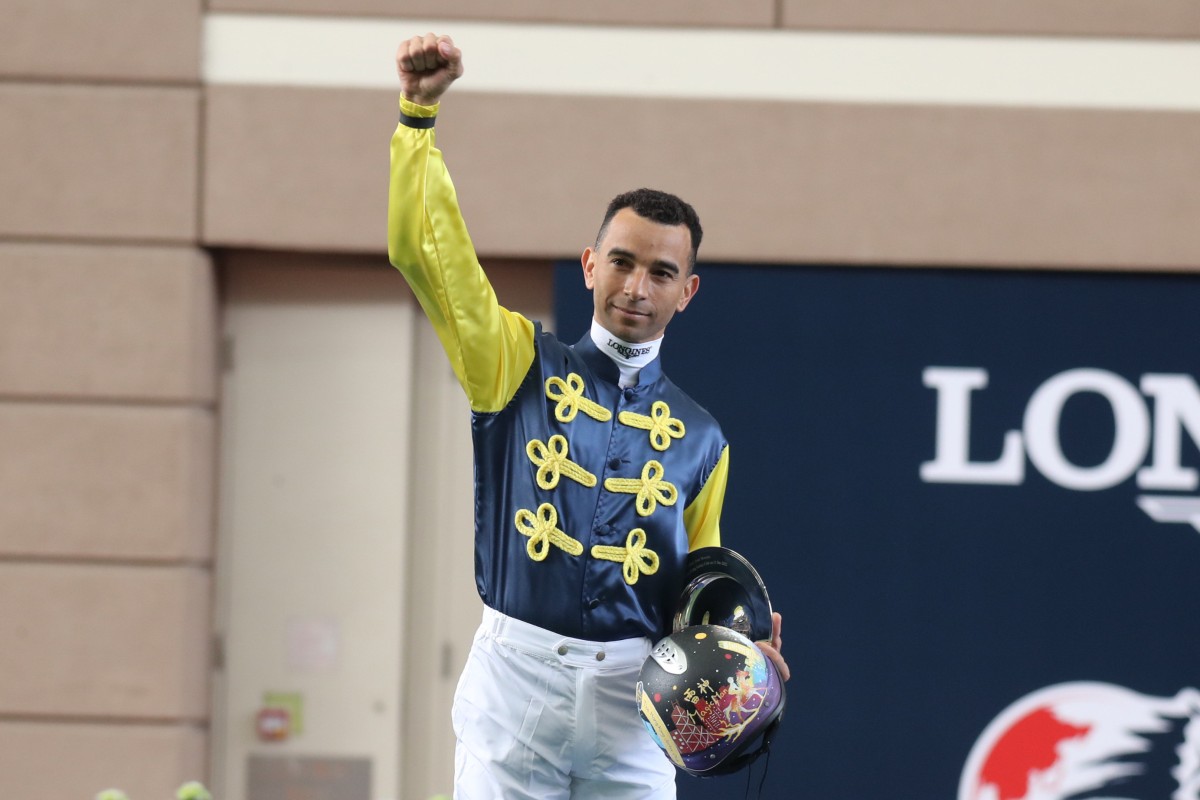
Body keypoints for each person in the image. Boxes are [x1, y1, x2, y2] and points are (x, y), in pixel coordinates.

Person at [388, 33, 789, 799]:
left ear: (687, 292)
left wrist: (744, 656)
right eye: (623, 261)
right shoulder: (512, 362)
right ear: (589, 264)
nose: (638, 286)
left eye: (662, 271)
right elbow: (426, 255)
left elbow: (696, 600)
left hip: (634, 701)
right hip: (514, 682)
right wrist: (418, 119)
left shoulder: (704, 440)